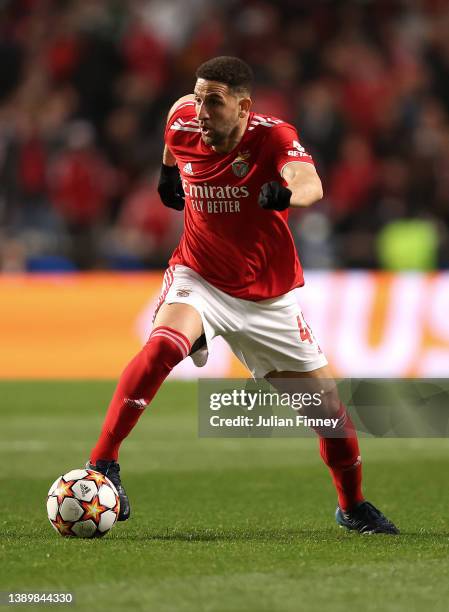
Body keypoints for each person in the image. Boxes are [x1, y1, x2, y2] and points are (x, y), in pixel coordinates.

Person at [87, 56, 398, 535]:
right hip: (200, 276)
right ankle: (103, 464)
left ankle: (352, 505)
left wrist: (287, 195)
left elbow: (310, 182)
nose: (201, 112)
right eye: (198, 98)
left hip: (267, 299)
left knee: (331, 416)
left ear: (244, 107)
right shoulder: (183, 120)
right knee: (161, 348)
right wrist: (168, 172)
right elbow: (175, 114)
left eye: (215, 102)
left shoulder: (272, 136)